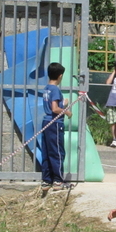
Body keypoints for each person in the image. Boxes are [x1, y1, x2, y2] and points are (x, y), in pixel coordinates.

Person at [41, 62, 73, 191]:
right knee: (58, 152)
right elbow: (54, 109)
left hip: (46, 122)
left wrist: (63, 103)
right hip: (55, 124)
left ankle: (46, 180)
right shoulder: (55, 89)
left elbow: (51, 105)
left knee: (47, 152)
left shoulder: (47, 88)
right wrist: (67, 111)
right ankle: (58, 180)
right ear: (60, 76)